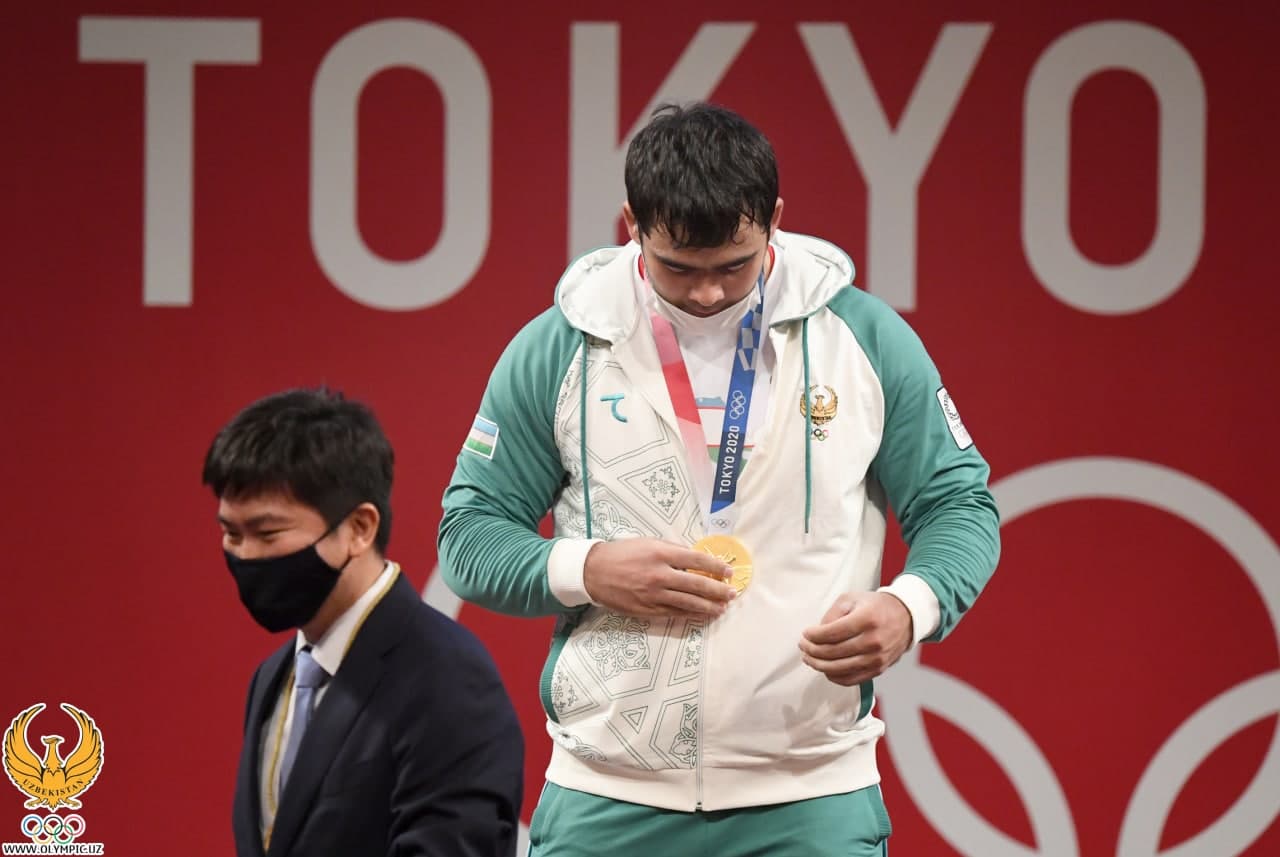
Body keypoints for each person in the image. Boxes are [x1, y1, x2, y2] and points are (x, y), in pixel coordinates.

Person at [438, 102, 999, 856]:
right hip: (608, 797)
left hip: (811, 796)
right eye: (677, 268)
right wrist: (589, 570)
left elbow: (959, 503)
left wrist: (911, 606)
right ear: (631, 224)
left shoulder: (863, 340)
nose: (706, 293)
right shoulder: (560, 346)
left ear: (774, 221)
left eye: (735, 265)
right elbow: (468, 536)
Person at [204, 388, 524, 857]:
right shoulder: (273, 677)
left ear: (359, 528)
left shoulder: (449, 676)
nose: (246, 555)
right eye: (231, 534)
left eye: (268, 533)